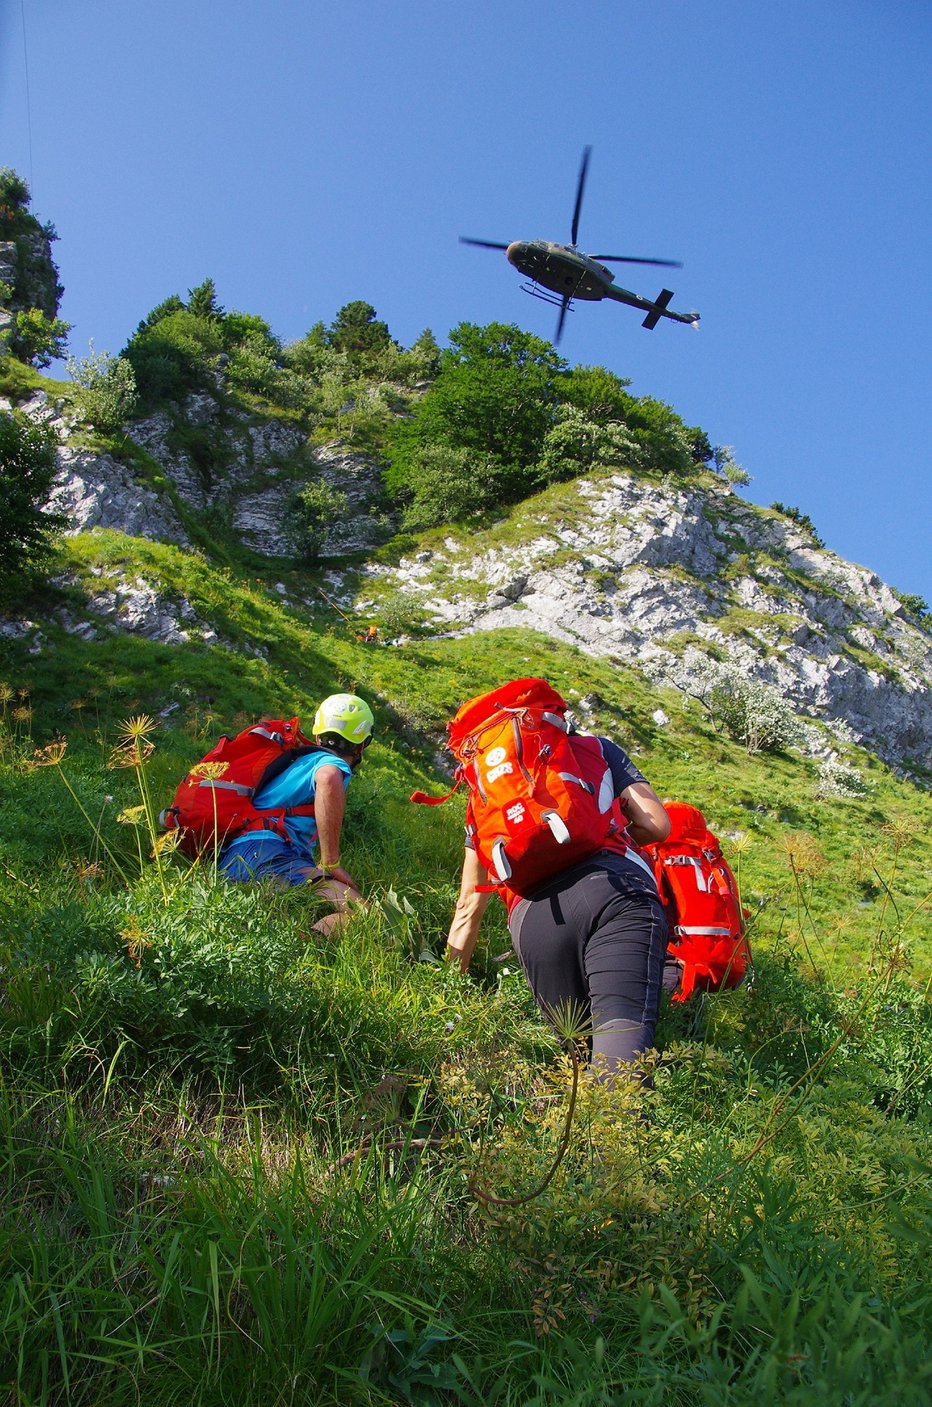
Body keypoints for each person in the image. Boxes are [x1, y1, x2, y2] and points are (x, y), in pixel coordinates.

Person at [444, 708, 670, 1084]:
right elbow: (657, 825)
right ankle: (615, 1138)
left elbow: (468, 906)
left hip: (533, 921)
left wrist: (448, 993)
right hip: (614, 892)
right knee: (619, 1052)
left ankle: (574, 1140)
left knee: (579, 1065)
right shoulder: (596, 749)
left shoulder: (484, 799)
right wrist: (607, 837)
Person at [219, 693, 374, 934]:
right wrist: (331, 862)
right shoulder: (331, 765)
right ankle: (305, 949)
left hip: (233, 859)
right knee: (366, 915)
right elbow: (328, 777)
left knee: (294, 911)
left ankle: (299, 939)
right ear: (363, 743)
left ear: (317, 734)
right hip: (267, 853)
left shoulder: (299, 761)